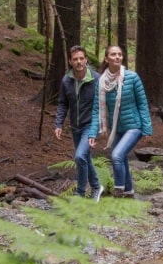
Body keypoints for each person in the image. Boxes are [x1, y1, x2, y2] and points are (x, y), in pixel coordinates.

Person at [87, 45, 153, 198]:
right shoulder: (102, 82)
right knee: (120, 157)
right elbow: (97, 109)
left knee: (116, 156)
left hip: (134, 126)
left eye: (119, 54)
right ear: (106, 59)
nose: (117, 57)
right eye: (113, 54)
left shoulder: (132, 77)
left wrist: (147, 128)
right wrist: (92, 132)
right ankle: (129, 192)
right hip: (117, 128)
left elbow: (142, 103)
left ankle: (118, 191)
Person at [55, 45, 104, 201]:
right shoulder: (66, 80)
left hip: (90, 125)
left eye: (81, 58)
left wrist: (98, 129)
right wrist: (58, 124)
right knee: (84, 158)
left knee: (80, 157)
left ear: (86, 60)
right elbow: (63, 103)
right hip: (75, 127)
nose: (79, 62)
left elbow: (103, 105)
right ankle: (96, 186)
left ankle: (80, 194)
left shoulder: (96, 79)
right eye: (75, 59)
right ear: (70, 61)